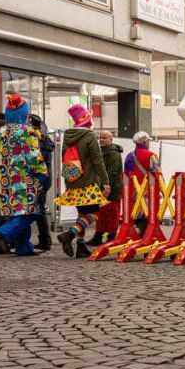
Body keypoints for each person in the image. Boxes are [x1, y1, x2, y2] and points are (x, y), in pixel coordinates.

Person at [0, 95, 48, 256]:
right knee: (31, 211)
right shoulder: (26, 132)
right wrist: (42, 173)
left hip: (5, 180)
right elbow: (33, 156)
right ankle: (1, 233)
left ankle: (24, 247)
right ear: (25, 113)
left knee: (18, 211)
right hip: (25, 180)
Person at [54, 104, 110, 258]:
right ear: (88, 120)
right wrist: (105, 182)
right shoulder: (90, 136)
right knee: (95, 213)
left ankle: (80, 247)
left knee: (82, 214)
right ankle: (69, 235)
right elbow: (98, 161)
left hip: (73, 181)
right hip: (89, 182)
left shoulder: (68, 136)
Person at [87, 131, 123, 246]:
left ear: (110, 139)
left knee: (111, 214)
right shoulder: (101, 151)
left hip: (111, 189)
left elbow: (112, 173)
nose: (101, 140)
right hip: (102, 188)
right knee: (101, 214)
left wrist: (107, 188)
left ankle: (111, 237)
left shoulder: (113, 153)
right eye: (100, 137)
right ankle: (98, 236)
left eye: (104, 138)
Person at [124, 131, 160, 235]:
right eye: (148, 141)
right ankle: (139, 235)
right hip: (147, 193)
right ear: (144, 142)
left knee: (135, 216)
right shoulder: (151, 155)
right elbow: (157, 175)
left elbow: (126, 175)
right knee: (147, 217)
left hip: (132, 193)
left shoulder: (129, 156)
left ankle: (133, 236)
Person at [29, 114, 54, 251]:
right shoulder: (44, 140)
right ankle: (45, 239)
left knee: (39, 209)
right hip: (44, 178)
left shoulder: (40, 141)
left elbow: (36, 160)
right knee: (39, 208)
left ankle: (45, 240)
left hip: (41, 179)